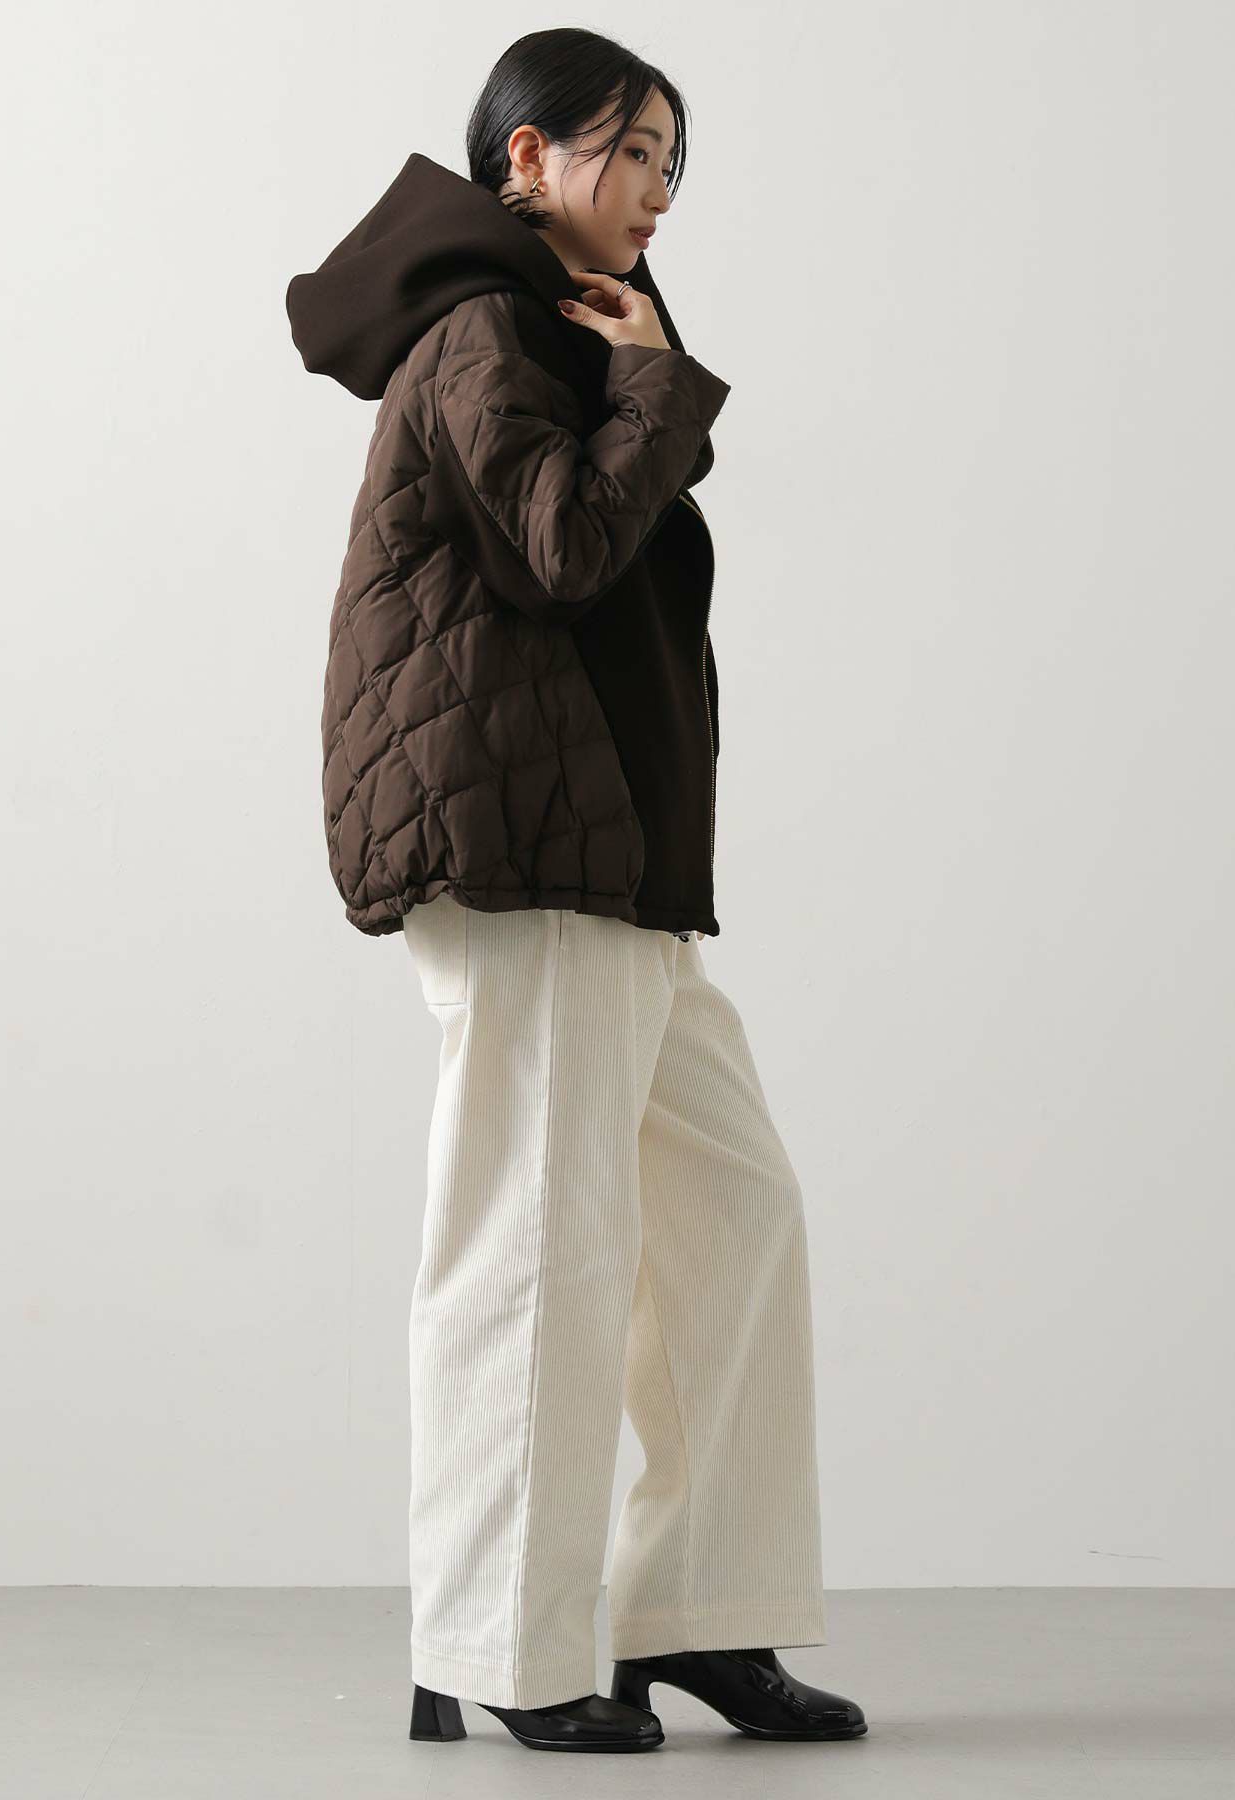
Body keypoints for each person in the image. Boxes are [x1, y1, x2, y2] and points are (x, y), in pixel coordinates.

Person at [286, 27, 867, 1755]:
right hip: (526, 850)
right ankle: (501, 1644)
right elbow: (563, 544)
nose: (660, 190)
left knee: (733, 1212)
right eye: (633, 152)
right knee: (537, 1245)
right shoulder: (483, 325)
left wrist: (643, 372)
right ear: (526, 156)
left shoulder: (564, 329)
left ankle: (690, 1613)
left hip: (608, 867)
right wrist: (656, 384)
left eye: (675, 163)